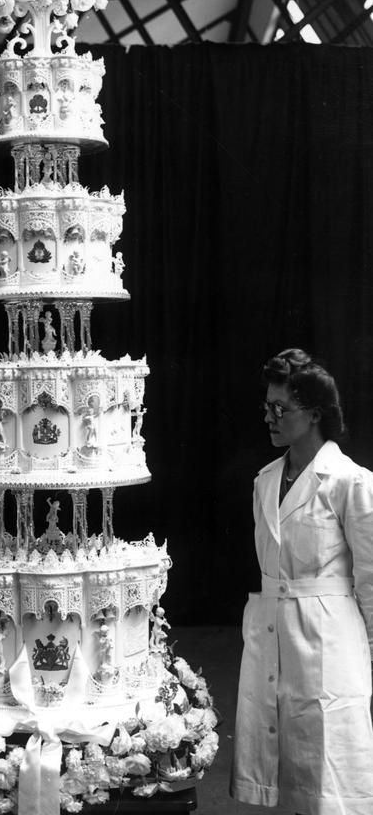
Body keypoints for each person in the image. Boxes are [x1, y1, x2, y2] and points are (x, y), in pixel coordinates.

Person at [230, 348, 373, 815]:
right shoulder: (264, 482)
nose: (269, 417)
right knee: (281, 763)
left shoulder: (350, 482)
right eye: (266, 407)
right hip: (272, 628)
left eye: (280, 408)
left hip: (328, 638)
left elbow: (371, 578)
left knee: (326, 767)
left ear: (313, 414)